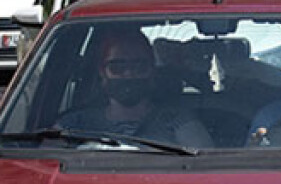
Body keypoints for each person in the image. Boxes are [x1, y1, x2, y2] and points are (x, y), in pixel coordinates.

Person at [58, 26, 211, 147]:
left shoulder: (178, 121)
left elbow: (206, 166)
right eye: (117, 67)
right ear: (102, 71)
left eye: (139, 67)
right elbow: (44, 165)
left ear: (152, 71)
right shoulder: (76, 124)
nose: (128, 74)